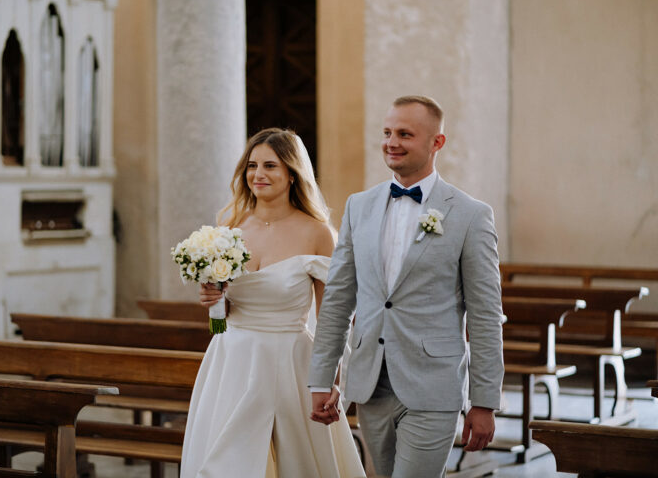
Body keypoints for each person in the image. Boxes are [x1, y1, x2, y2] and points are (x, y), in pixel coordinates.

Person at [308, 95, 504, 478]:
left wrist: (484, 401)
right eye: (386, 132)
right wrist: (322, 377)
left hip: (433, 385)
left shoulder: (470, 215)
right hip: (369, 384)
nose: (391, 142)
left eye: (404, 134)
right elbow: (337, 301)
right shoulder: (358, 206)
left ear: (436, 143)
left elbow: (485, 315)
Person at [180, 128, 366, 478]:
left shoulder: (317, 232)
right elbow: (219, 318)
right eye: (251, 165)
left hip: (291, 363)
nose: (258, 174)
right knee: (226, 464)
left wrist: (331, 380)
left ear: (292, 174)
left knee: (295, 462)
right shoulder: (229, 225)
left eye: (270, 166)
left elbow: (334, 318)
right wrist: (213, 302)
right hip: (231, 359)